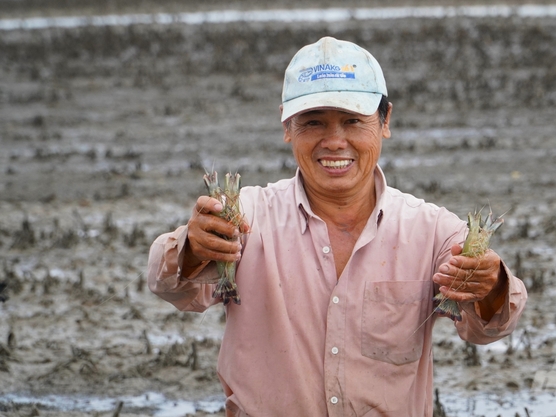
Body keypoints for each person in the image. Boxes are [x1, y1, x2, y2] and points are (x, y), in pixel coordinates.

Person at [148, 36, 527, 417]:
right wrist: (195, 248)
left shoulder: (433, 231)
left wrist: (489, 285)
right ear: (286, 126)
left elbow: (489, 327)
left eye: (352, 121)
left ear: (385, 121)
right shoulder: (247, 217)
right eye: (313, 122)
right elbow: (172, 287)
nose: (334, 141)